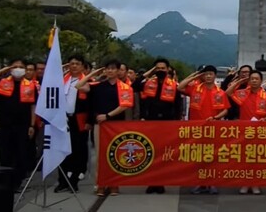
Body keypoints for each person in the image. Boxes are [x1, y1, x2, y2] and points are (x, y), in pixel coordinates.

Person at [76, 59, 134, 197]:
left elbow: (125, 105)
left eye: (113, 68)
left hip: (116, 124)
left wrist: (108, 115)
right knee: (100, 155)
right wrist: (93, 73)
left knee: (115, 154)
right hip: (100, 125)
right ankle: (101, 183)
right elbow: (78, 86)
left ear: (119, 70)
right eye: (107, 68)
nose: (110, 71)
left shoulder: (125, 87)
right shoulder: (98, 85)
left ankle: (114, 184)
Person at [0, 59, 37, 191]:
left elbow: (32, 107)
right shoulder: (3, 82)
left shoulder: (30, 85)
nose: (18, 69)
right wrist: (2, 71)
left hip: (22, 125)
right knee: (5, 154)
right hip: (5, 125)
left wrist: (32, 125)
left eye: (21, 67)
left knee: (20, 154)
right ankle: (5, 182)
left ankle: (17, 182)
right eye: (15, 67)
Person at [178, 65, 230, 195]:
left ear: (215, 76)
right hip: (196, 129)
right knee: (197, 157)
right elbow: (179, 87)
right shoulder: (195, 88)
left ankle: (211, 183)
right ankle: (198, 182)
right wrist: (196, 75)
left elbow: (225, 109)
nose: (208, 76)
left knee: (212, 157)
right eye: (205, 74)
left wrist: (217, 117)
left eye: (210, 74)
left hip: (213, 129)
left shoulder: (220, 92)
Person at [226, 70, 266, 195]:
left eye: (256, 79)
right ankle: (244, 183)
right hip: (245, 131)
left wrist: (265, 119)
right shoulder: (242, 94)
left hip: (260, 131)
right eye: (252, 79)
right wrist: (240, 81)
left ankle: (255, 184)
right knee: (244, 159)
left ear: (261, 81)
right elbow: (228, 92)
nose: (254, 81)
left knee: (257, 160)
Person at [140, 58, 183, 194]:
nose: (160, 71)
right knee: (151, 153)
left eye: (163, 68)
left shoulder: (174, 85)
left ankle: (161, 182)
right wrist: (149, 73)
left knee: (164, 154)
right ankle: (151, 182)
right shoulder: (147, 83)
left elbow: (178, 105)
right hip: (151, 121)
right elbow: (135, 85)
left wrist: (176, 120)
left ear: (168, 69)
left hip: (167, 122)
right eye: (157, 68)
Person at [55, 54, 90, 193]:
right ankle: (62, 180)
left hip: (79, 120)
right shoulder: (61, 80)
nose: (74, 66)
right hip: (62, 119)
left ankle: (74, 179)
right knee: (62, 150)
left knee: (78, 150)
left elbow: (91, 104)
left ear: (82, 66)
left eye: (77, 63)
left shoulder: (88, 81)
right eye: (71, 63)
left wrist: (89, 121)